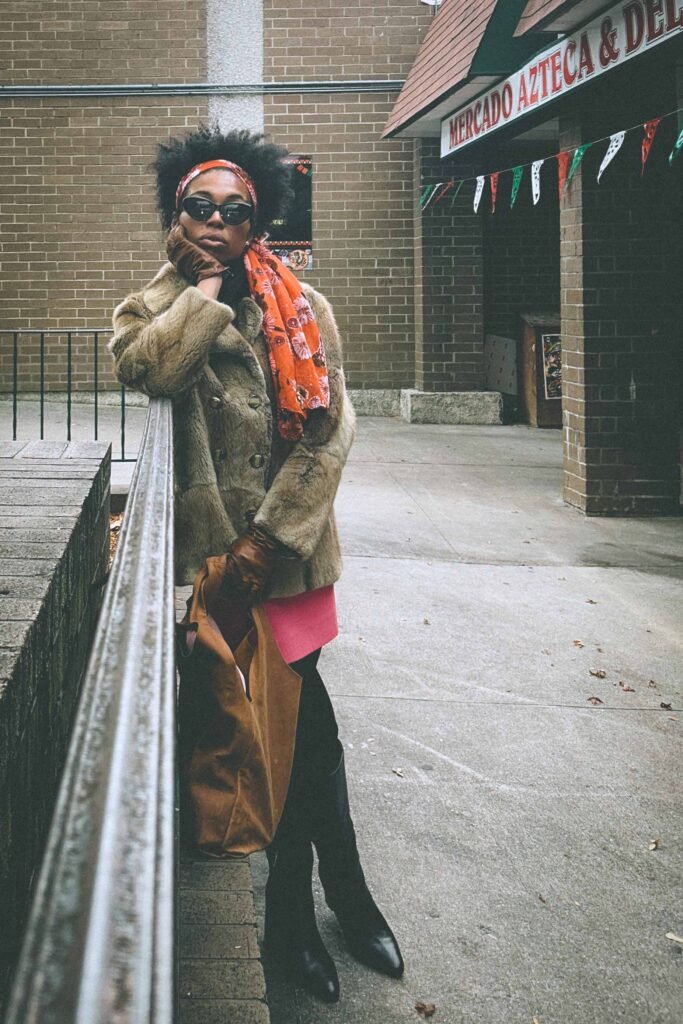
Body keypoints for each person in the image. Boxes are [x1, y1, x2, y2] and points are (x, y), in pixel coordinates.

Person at [108, 126, 403, 1003]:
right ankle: (337, 901)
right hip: (209, 571)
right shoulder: (151, 307)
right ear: (175, 215)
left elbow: (329, 434)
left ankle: (305, 915)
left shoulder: (303, 307)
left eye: (235, 211)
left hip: (287, 561)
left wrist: (268, 540)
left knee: (305, 739)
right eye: (199, 206)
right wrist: (200, 293)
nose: (216, 222)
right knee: (269, 739)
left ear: (257, 223)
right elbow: (148, 371)